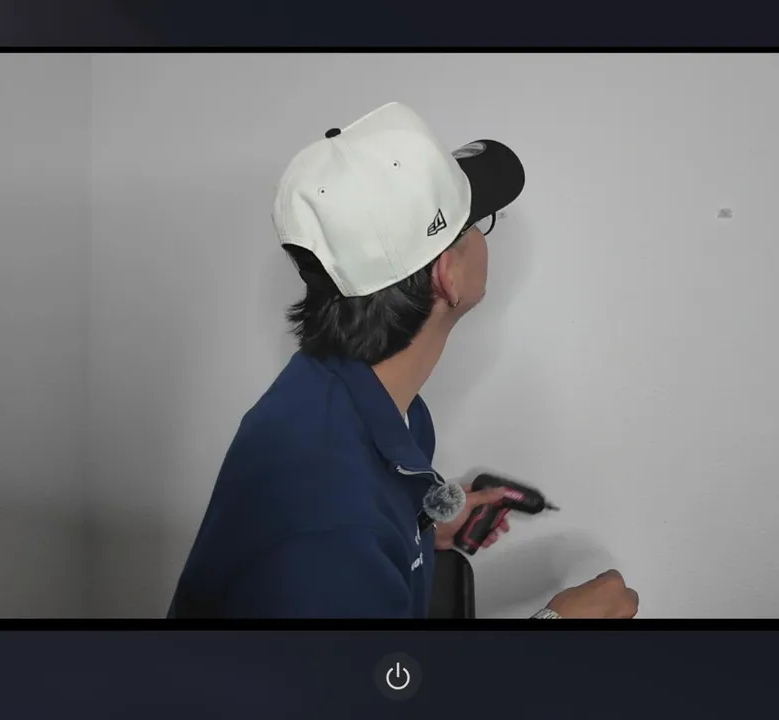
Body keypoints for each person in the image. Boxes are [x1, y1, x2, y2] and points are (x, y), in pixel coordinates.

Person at [167, 102, 638, 619]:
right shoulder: (332, 537)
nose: (485, 235)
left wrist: (420, 525)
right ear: (446, 276)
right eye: (477, 223)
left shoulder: (354, 395)